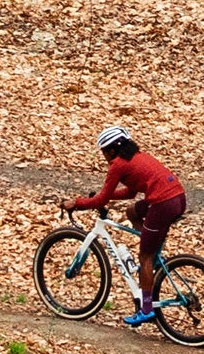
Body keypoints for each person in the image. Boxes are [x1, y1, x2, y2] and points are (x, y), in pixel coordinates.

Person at [62, 125, 193, 329]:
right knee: (132, 212)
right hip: (177, 198)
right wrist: (104, 196)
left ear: (112, 150)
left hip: (162, 204)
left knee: (144, 257)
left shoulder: (118, 164)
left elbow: (101, 201)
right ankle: (151, 248)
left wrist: (77, 203)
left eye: (104, 152)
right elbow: (130, 193)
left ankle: (147, 309)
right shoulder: (137, 157)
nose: (104, 157)